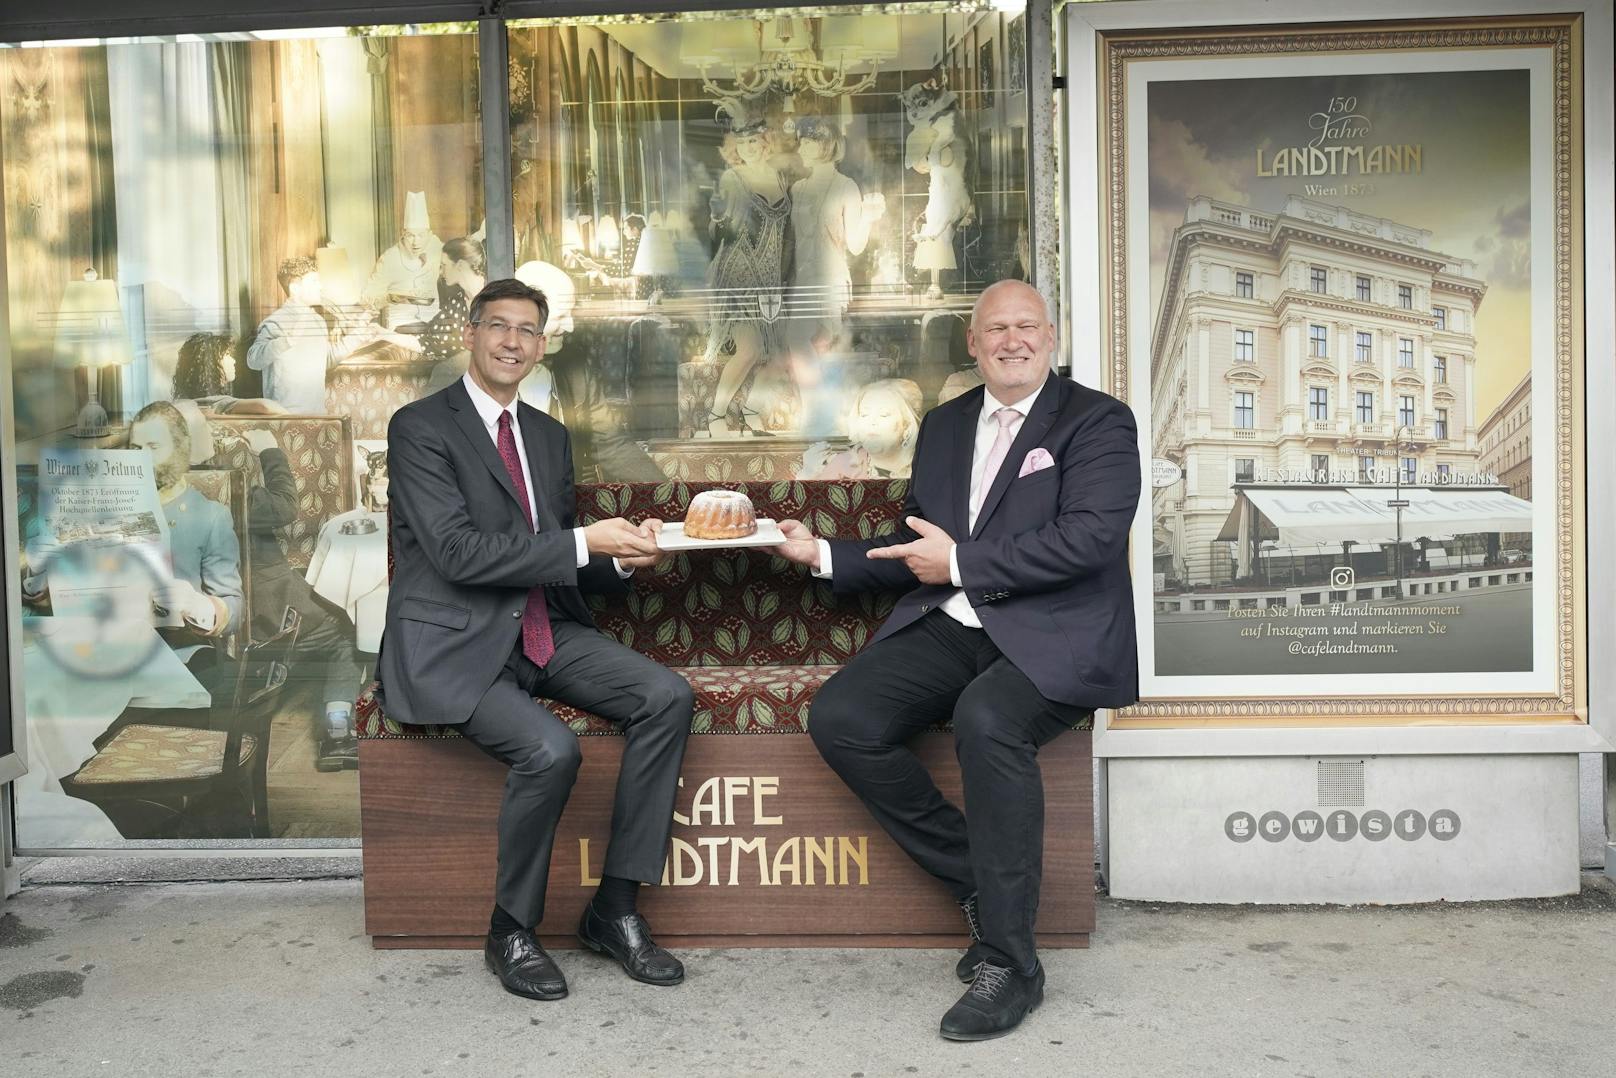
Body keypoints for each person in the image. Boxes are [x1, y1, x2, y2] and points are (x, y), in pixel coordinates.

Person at [771, 280, 1141, 1041]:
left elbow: (1089, 540)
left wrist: (964, 563)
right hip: (955, 623)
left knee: (987, 719)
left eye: (1027, 326)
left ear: (1052, 336)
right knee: (844, 717)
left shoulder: (1099, 421)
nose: (1012, 339)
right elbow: (919, 551)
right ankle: (976, 880)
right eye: (995, 328)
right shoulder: (943, 425)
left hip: (1056, 631)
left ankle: (1012, 960)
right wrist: (821, 555)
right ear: (972, 344)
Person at [379, 277, 694, 1003]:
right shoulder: (420, 426)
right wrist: (585, 542)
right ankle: (511, 929)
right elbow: (458, 553)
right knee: (552, 749)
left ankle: (614, 911)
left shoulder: (549, 437)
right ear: (471, 333)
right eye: (498, 326)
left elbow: (555, 554)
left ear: (541, 346)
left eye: (527, 331)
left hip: (541, 630)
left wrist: (620, 560)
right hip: (455, 644)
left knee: (665, 696)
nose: (512, 342)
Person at [701, 115, 794, 437]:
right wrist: (717, 217)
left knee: (779, 353)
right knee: (751, 349)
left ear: (766, 142)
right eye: (742, 143)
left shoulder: (780, 177)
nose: (748, 148)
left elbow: (786, 234)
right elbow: (719, 231)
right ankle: (715, 415)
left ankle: (751, 410)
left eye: (753, 141)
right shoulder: (732, 177)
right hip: (737, 272)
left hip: (768, 276)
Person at [247, 256, 391, 414]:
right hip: (285, 419)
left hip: (317, 415)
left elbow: (327, 359)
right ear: (295, 288)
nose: (321, 286)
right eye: (315, 281)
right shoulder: (276, 322)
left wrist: (360, 334)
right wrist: (287, 340)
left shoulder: (317, 321)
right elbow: (253, 360)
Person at [362, 190, 444, 326]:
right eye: (410, 235)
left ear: (429, 234)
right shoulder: (390, 258)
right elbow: (366, 298)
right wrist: (390, 298)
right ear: (403, 233)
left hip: (433, 325)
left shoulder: (437, 247)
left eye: (421, 235)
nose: (416, 242)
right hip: (401, 326)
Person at [172, 333, 286, 415]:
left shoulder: (182, 403)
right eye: (227, 354)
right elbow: (264, 406)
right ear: (211, 363)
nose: (234, 360)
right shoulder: (214, 401)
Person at [419, 236, 486, 362]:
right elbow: (428, 341)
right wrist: (383, 334)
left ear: (460, 265)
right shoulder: (455, 304)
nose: (441, 271)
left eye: (444, 265)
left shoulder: (494, 296)